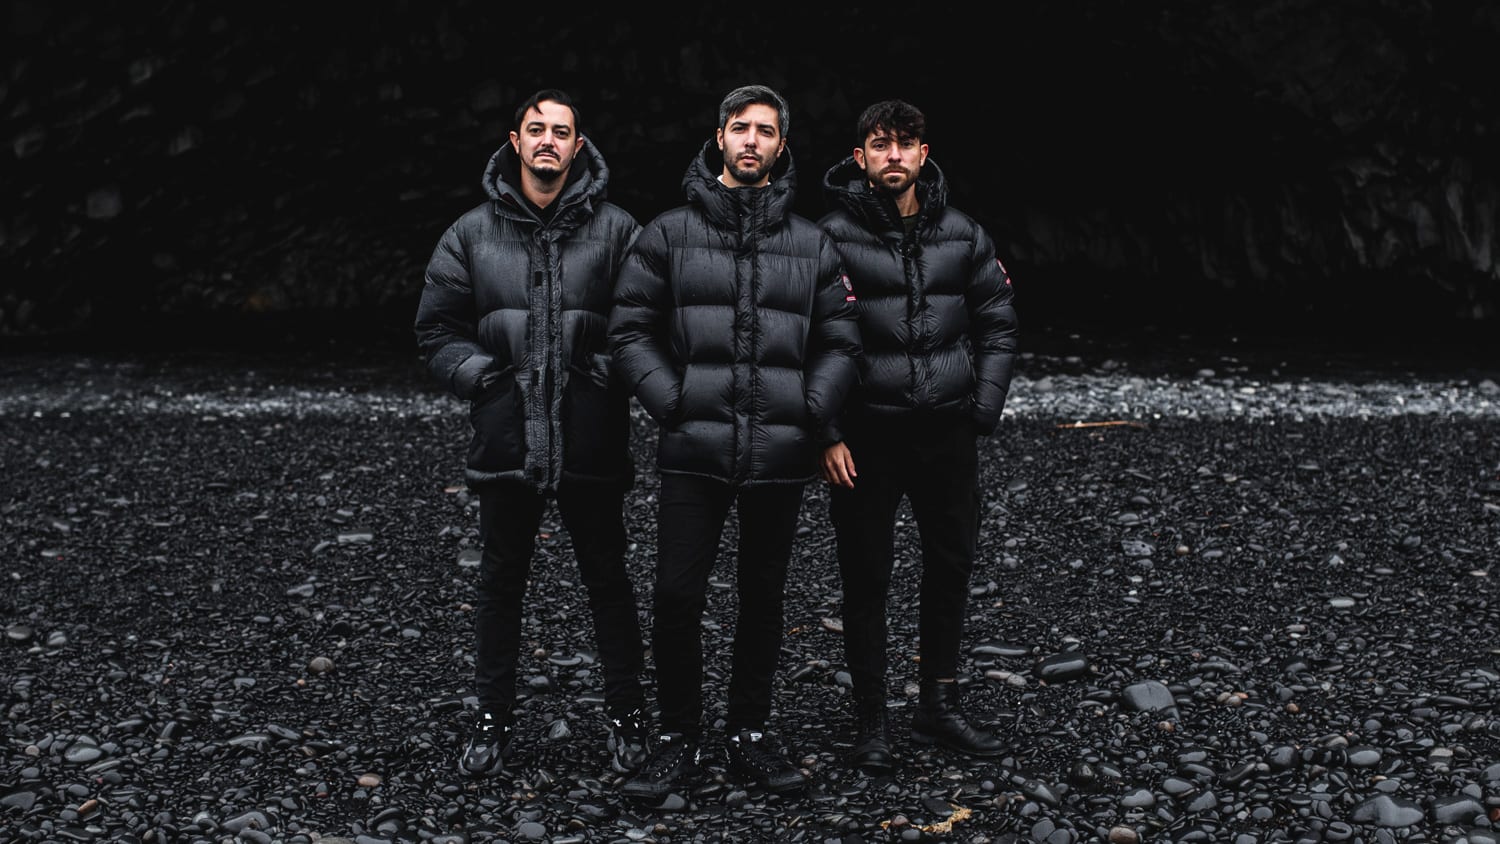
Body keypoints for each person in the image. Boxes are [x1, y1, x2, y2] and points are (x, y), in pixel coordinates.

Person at [607, 84, 862, 801]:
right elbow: (629, 329)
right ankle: (678, 735)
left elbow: (842, 340)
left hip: (779, 455)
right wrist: (672, 401)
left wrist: (809, 408)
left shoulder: (813, 243)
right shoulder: (665, 234)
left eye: (767, 132)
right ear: (719, 137)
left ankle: (749, 730)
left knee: (763, 596)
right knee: (676, 595)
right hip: (694, 451)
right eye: (741, 128)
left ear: (783, 147)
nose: (752, 141)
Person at [413, 88, 651, 779]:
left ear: (580, 147)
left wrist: (602, 374)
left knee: (608, 582)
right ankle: (491, 719)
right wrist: (485, 379)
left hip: (591, 439)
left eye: (562, 132)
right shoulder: (470, 234)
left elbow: (644, 324)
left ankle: (628, 716)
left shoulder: (616, 232)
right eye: (536, 129)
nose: (548, 141)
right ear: (514, 141)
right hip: (506, 440)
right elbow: (436, 329)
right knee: (498, 584)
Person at [817, 99, 1019, 775]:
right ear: (861, 158)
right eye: (881, 145)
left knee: (951, 566)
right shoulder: (831, 237)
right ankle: (871, 720)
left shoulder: (962, 234)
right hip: (868, 438)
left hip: (946, 433)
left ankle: (939, 704)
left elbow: (998, 321)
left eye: (906, 144)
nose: (894, 156)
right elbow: (807, 340)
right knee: (866, 576)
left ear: (924, 154)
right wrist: (828, 430)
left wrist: (981, 408)